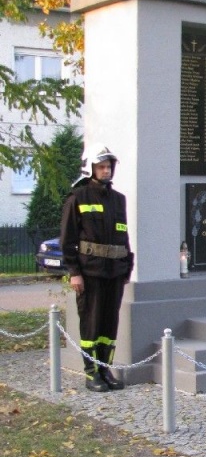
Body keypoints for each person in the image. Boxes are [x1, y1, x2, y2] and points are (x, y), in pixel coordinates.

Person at [60, 143, 134, 392]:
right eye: (101, 167)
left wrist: (127, 267)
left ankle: (105, 368)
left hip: (114, 271)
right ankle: (91, 372)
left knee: (109, 323)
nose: (106, 171)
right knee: (91, 323)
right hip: (90, 272)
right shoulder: (78, 198)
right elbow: (68, 239)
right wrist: (75, 272)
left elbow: (123, 235)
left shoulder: (118, 200)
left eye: (109, 167)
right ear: (91, 169)